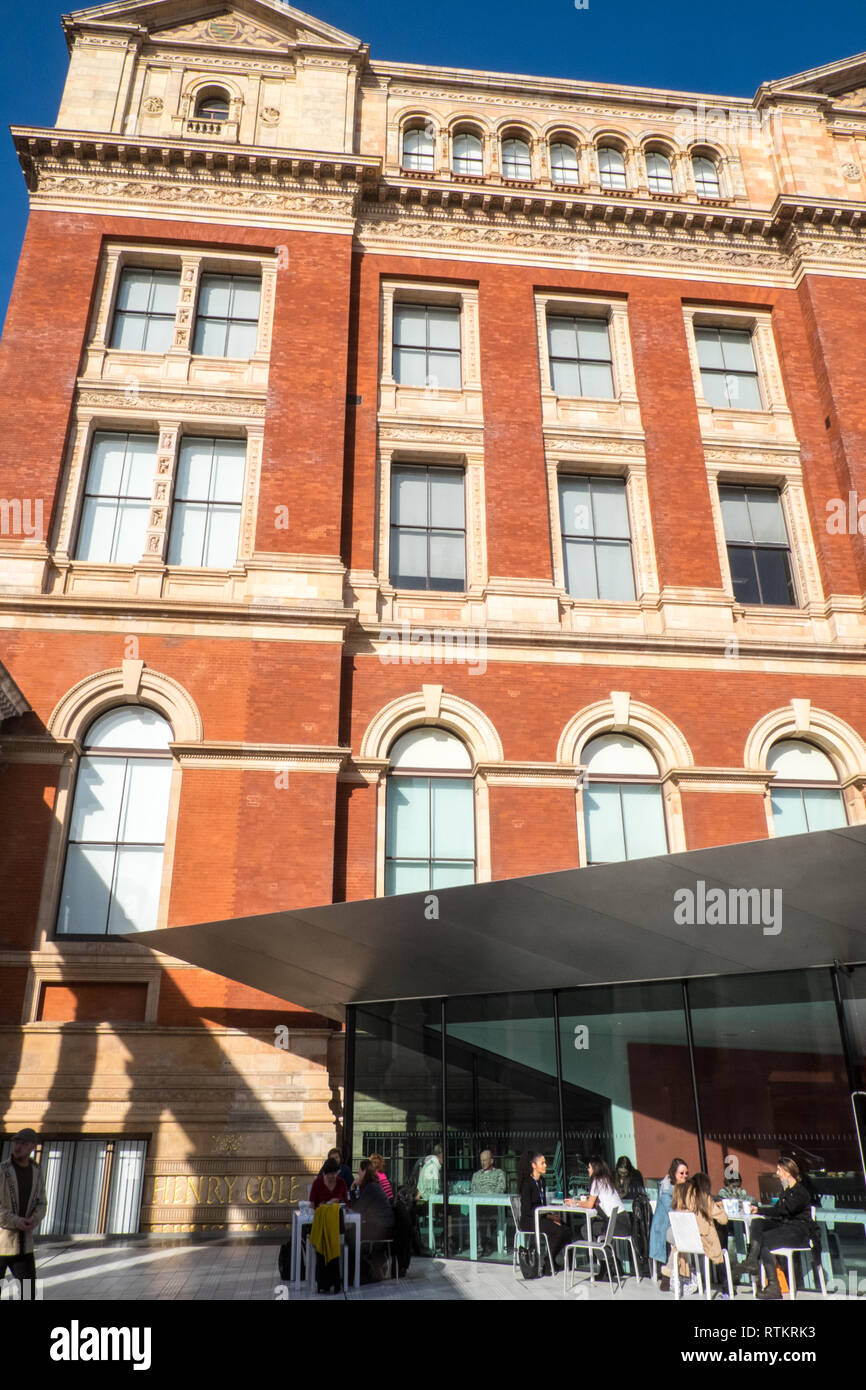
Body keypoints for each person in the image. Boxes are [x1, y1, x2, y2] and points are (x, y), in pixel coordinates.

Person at [734, 1157, 816, 1300]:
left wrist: (762, 1209)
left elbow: (783, 1210)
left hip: (799, 1231)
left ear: (787, 1172)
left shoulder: (800, 1192)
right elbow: (777, 1210)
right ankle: (752, 1259)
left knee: (763, 1240)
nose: (777, 1173)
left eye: (779, 1170)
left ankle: (774, 1286)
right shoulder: (786, 1191)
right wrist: (757, 1210)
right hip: (785, 1226)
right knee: (757, 1222)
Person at [0, 1128, 47, 1301]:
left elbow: (42, 1201)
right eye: (16, 1142)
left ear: (32, 1147)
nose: (18, 1147)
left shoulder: (36, 1171)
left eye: (23, 1143)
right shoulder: (3, 1170)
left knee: (29, 1294)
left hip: (24, 1245)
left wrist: (35, 1218)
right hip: (2, 1242)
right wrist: (16, 1221)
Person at [517, 1149, 572, 1273]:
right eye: (543, 1163)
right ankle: (548, 1263)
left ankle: (553, 1260)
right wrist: (549, 1217)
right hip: (529, 1220)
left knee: (566, 1230)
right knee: (557, 1231)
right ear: (534, 1165)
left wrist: (551, 1216)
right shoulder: (527, 1184)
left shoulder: (542, 1181)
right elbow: (528, 1209)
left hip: (540, 1217)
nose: (546, 1165)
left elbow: (541, 1205)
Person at [676, 1173, 729, 1296]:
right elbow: (723, 1219)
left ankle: (717, 1278)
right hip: (704, 1244)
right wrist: (716, 1206)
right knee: (722, 1232)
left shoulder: (682, 1196)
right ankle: (725, 1281)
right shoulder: (704, 1198)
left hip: (686, 1242)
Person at [649, 1156, 689, 1292]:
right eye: (681, 1173)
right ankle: (673, 1275)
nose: (685, 1176)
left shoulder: (684, 1187)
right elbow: (672, 1213)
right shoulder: (667, 1191)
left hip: (679, 1226)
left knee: (684, 1240)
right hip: (665, 1227)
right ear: (674, 1174)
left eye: (686, 1173)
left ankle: (670, 1274)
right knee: (682, 1239)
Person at [471, 1149, 506, 1256]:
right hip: (479, 1206)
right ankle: (484, 1242)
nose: (483, 1163)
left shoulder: (499, 1173)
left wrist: (486, 1195)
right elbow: (473, 1190)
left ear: (491, 1161)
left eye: (485, 1160)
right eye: (481, 1160)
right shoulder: (476, 1175)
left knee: (485, 1214)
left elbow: (501, 1189)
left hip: (493, 1206)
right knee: (478, 1213)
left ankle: (486, 1242)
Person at [351, 1164, 395, 1243]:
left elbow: (356, 1209)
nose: (358, 1174)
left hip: (381, 1229)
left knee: (350, 1232)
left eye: (359, 1172)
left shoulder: (371, 1188)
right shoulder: (375, 1185)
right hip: (386, 1227)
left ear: (364, 1172)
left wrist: (352, 1189)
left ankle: (353, 1255)